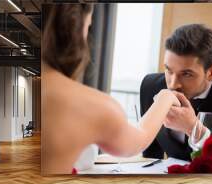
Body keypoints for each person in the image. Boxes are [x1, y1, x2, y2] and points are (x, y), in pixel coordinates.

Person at [41, 4, 180, 174]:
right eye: (88, 25)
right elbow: (137, 140)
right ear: (74, 26)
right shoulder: (92, 105)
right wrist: (166, 97)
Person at [140, 24, 212, 161]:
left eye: (187, 74)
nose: (173, 84)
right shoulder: (150, 87)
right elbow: (150, 158)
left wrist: (193, 128)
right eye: (169, 70)